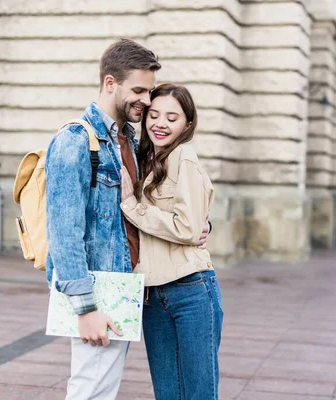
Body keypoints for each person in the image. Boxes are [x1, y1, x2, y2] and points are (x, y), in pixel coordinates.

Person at [45, 40, 211, 400]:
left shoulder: (127, 139)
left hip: (129, 288)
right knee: (91, 390)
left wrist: (201, 225)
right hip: (99, 291)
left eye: (149, 91)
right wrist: (85, 307)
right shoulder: (75, 140)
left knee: (103, 390)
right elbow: (63, 232)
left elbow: (152, 204)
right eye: (138, 90)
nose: (147, 101)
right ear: (110, 83)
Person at [119, 83, 223, 400]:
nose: (160, 123)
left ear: (187, 124)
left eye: (172, 117)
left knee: (198, 394)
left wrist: (131, 204)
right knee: (167, 394)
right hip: (152, 295)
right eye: (154, 115)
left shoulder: (183, 157)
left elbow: (188, 229)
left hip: (190, 290)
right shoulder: (147, 160)